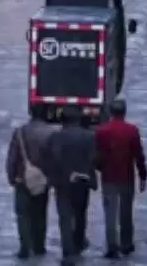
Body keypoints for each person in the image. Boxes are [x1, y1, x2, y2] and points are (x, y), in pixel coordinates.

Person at [95, 97, 147, 258]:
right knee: (126, 212)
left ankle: (112, 246)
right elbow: (138, 155)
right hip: (126, 176)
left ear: (111, 112)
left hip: (108, 176)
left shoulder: (102, 131)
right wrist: (143, 175)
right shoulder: (132, 131)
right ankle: (126, 244)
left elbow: (97, 156)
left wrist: (99, 168)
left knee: (110, 213)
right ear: (124, 113)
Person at [42, 113, 97, 266]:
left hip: (63, 183)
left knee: (65, 217)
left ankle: (68, 250)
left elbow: (50, 158)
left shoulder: (56, 137)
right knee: (80, 213)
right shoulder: (89, 136)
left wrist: (59, 175)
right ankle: (78, 242)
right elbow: (95, 158)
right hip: (83, 181)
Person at [7, 105, 56, 260]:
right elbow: (54, 158)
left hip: (22, 178)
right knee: (40, 213)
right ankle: (39, 245)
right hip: (42, 179)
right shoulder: (51, 133)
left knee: (22, 214)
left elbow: (12, 158)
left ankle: (24, 247)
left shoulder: (20, 132)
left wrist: (11, 176)